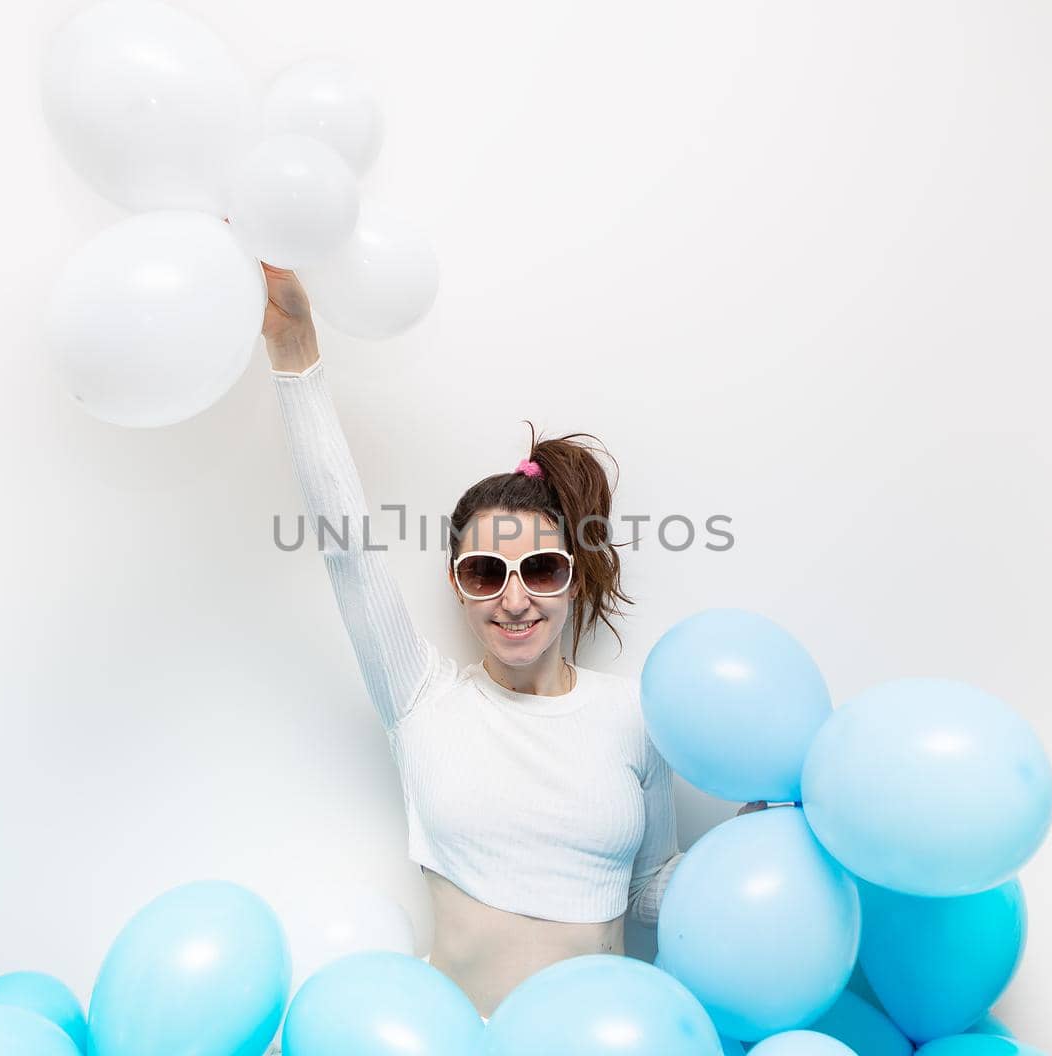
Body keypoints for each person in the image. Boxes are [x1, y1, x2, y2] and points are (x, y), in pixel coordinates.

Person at [261, 263, 765, 1018]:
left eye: (540, 567)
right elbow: (348, 550)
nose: (515, 597)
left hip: (603, 1037)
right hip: (460, 1036)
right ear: (459, 583)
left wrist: (757, 838)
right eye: (486, 571)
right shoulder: (421, 697)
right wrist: (296, 350)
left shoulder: (635, 713)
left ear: (572, 575)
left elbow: (651, 888)